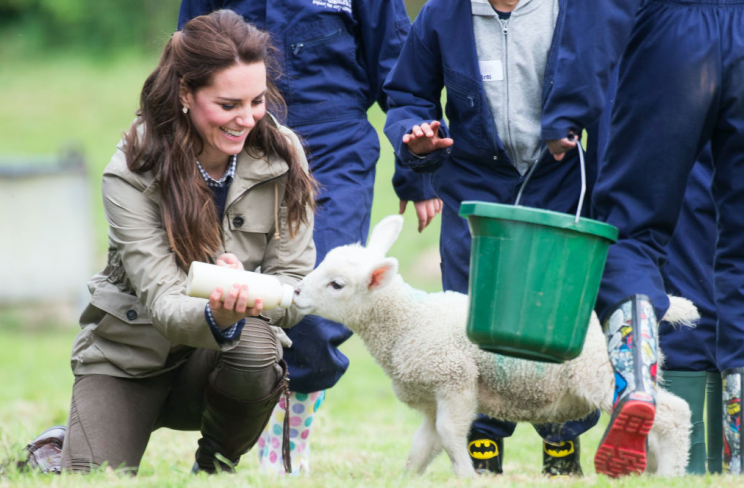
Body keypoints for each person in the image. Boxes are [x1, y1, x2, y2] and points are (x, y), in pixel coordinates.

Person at [20, 10, 316, 475]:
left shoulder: (284, 154)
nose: (248, 118)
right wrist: (217, 311)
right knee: (92, 479)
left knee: (257, 346)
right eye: (228, 104)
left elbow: (297, 286)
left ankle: (215, 468)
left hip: (223, 362)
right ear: (185, 94)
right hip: (129, 358)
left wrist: (248, 298)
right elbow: (163, 301)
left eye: (257, 100)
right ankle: (65, 444)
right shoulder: (131, 169)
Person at [383, 0, 624, 476]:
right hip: (474, 188)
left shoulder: (574, 11)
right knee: (472, 315)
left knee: (557, 313)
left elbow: (610, 95)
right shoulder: (441, 15)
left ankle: (562, 439)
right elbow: (408, 96)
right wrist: (416, 143)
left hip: (559, 180)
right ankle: (482, 443)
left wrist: (606, 185)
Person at [177, 0, 415, 475]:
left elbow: (399, 70)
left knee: (316, 302)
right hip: (236, 139)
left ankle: (285, 451)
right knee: (230, 293)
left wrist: (417, 169)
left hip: (333, 149)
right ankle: (226, 442)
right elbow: (186, 61)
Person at [564, 0, 744, 477]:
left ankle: (636, 384)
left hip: (675, 26)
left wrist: (566, 104)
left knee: (630, 233)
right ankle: (739, 457)